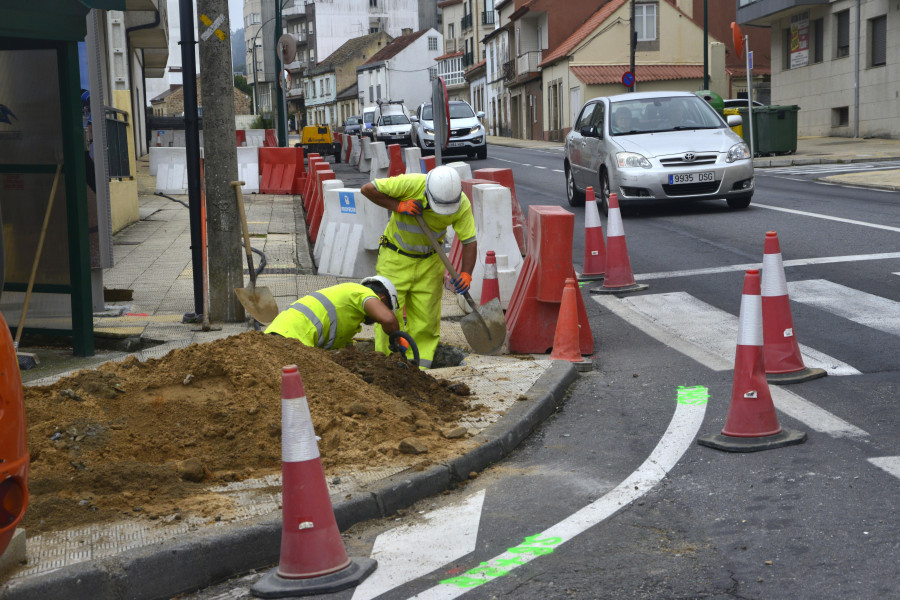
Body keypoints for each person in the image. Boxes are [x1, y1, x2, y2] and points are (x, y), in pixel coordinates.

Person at [361, 166, 477, 369]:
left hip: (430, 263)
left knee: (427, 320)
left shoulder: (461, 203)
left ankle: (419, 368)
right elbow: (368, 189)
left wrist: (467, 273)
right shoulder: (410, 184)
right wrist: (399, 205)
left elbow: (469, 241)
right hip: (395, 258)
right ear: (428, 192)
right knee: (389, 313)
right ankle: (387, 366)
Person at [265, 276, 404, 350]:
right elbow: (389, 320)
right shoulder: (362, 292)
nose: (375, 322)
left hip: (274, 333)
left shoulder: (349, 313)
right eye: (383, 307)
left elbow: (346, 353)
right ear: (381, 299)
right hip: (294, 339)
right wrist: (397, 342)